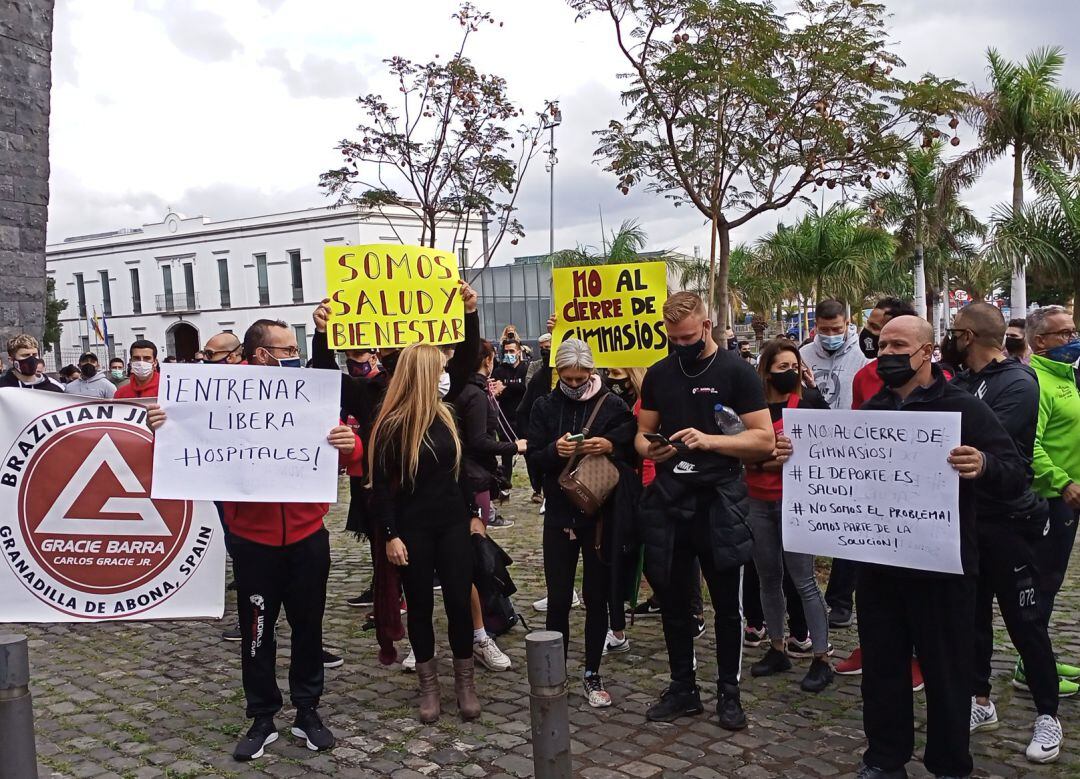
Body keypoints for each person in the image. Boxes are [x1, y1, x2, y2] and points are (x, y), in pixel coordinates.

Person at [779, 314, 1026, 779]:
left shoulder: (962, 409)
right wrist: (797, 456)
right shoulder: (872, 408)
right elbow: (844, 467)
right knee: (884, 671)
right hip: (880, 567)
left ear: (928, 352)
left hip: (943, 568)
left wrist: (985, 463)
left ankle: (950, 764)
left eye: (899, 346)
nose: (887, 353)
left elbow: (1015, 474)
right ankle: (885, 758)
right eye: (882, 345)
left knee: (947, 672)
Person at [146, 319, 360, 761]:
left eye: (295, 349)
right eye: (285, 349)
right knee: (258, 633)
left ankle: (307, 711)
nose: (293, 356)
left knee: (308, 628)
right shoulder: (218, 396)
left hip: (306, 537)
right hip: (252, 542)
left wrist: (349, 443)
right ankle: (262, 716)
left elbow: (352, 452)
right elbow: (181, 440)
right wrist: (161, 425)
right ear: (261, 354)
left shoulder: (309, 397)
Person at [636, 291, 775, 730]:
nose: (681, 344)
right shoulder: (659, 373)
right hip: (671, 498)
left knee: (726, 606)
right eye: (673, 338)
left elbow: (763, 440)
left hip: (720, 497)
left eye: (688, 336)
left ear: (707, 325)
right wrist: (650, 450)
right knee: (675, 601)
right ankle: (683, 688)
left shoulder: (737, 372)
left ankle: (728, 694)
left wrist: (711, 441)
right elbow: (642, 432)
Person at [946, 303, 1064, 763]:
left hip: (1009, 522)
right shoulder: (960, 381)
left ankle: (1047, 715)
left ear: (968, 336)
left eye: (954, 333)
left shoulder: (1017, 382)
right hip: (968, 521)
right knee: (972, 617)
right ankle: (980, 701)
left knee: (1024, 621)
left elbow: (982, 436)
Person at [370, 343, 481, 724]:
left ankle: (465, 684)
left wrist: (474, 515)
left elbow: (460, 472)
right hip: (413, 528)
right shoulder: (392, 424)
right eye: (438, 368)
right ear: (422, 374)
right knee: (419, 606)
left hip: (452, 524)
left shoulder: (447, 415)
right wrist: (390, 535)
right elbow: (381, 487)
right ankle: (429, 687)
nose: (444, 374)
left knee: (458, 603)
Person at [527, 339, 637, 707]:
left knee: (596, 597)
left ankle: (592, 672)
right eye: (568, 378)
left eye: (581, 377)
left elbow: (630, 447)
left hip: (599, 514)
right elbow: (534, 458)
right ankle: (554, 671)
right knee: (558, 597)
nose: (574, 385)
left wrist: (608, 445)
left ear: (592, 372)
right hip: (559, 512)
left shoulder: (612, 404)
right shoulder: (545, 405)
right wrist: (551, 452)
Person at [743, 339, 833, 693]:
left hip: (795, 504)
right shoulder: (753, 409)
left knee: (804, 580)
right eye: (782, 368)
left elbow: (830, 446)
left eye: (794, 367)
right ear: (765, 371)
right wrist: (766, 461)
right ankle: (777, 646)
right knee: (768, 577)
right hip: (757, 502)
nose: (790, 373)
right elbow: (738, 454)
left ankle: (822, 656)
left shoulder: (807, 402)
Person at [1025, 306, 1080, 699]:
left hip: (1069, 498)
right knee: (1042, 585)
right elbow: (1031, 444)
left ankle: (1035, 656)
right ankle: (1031, 664)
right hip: (1052, 498)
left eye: (1073, 331)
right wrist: (1063, 484)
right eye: (1063, 334)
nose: (1072, 339)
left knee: (1053, 583)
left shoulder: (1069, 376)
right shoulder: (1037, 381)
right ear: (1039, 341)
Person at [799, 298, 868, 412]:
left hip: (851, 424)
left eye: (837, 329)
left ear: (847, 324)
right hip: (812, 424)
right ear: (816, 326)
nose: (831, 335)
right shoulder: (803, 354)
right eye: (824, 329)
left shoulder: (862, 355)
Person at [519, 328, 555, 506]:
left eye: (549, 348)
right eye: (543, 349)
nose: (545, 351)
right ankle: (538, 488)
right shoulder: (537, 372)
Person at [491, 337, 529, 494]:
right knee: (506, 454)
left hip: (524, 417)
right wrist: (503, 389)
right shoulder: (499, 370)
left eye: (512, 351)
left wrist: (506, 386)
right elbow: (495, 391)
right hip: (505, 417)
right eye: (506, 351)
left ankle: (538, 489)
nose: (509, 354)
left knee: (529, 453)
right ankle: (505, 486)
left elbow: (525, 388)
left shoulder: (526, 368)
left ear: (519, 352)